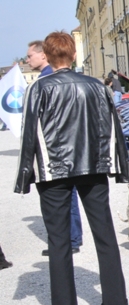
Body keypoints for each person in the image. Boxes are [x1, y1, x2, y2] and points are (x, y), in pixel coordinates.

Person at [15, 31, 129, 305]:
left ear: (48, 56)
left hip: (54, 171)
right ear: (74, 55)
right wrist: (118, 167)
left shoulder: (39, 88)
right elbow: (112, 128)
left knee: (58, 241)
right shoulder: (96, 86)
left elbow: (30, 132)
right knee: (105, 234)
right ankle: (116, 304)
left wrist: (25, 175)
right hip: (93, 167)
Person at [27, 40, 83, 256]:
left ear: (44, 55)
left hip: (58, 148)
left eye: (30, 56)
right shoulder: (46, 79)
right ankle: (69, 239)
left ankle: (70, 240)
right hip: (65, 147)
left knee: (65, 197)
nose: (27, 60)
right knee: (67, 196)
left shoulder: (48, 80)